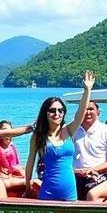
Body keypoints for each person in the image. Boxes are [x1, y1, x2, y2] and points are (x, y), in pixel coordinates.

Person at [25, 71, 95, 200]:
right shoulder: (38, 136)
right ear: (45, 113)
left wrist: (87, 90)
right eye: (52, 110)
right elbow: (30, 162)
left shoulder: (68, 131)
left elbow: (80, 113)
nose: (57, 113)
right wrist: (27, 186)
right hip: (48, 191)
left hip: (70, 191)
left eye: (60, 110)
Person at [72, 100, 107, 201]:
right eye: (84, 109)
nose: (87, 112)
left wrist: (95, 169)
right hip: (75, 175)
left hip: (101, 175)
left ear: (98, 112)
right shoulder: (72, 131)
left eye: (91, 109)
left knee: (93, 194)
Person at [0, 119, 29, 192]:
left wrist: (23, 172)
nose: (8, 133)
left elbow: (17, 164)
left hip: (14, 175)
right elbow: (2, 169)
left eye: (10, 131)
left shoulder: (12, 147)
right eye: (5, 131)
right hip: (4, 177)